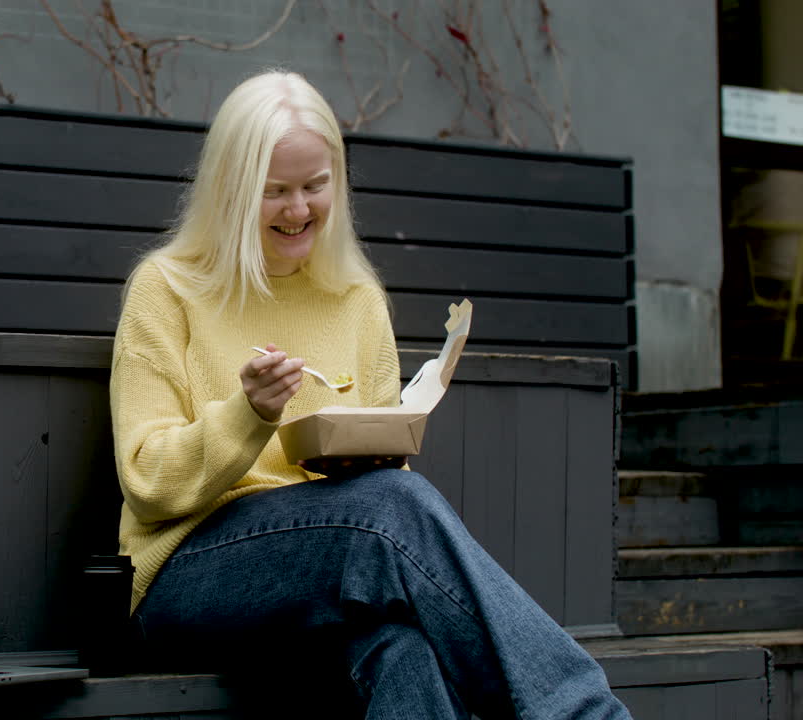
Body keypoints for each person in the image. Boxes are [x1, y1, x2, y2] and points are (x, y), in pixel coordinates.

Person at [108, 69, 632, 719]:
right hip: (187, 576)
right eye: (274, 192)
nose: (298, 210)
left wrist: (364, 456)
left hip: (337, 573)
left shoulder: (356, 300)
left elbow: (382, 495)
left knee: (403, 648)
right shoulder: (167, 288)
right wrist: (249, 414)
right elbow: (148, 484)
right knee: (392, 508)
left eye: (314, 186)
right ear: (230, 190)